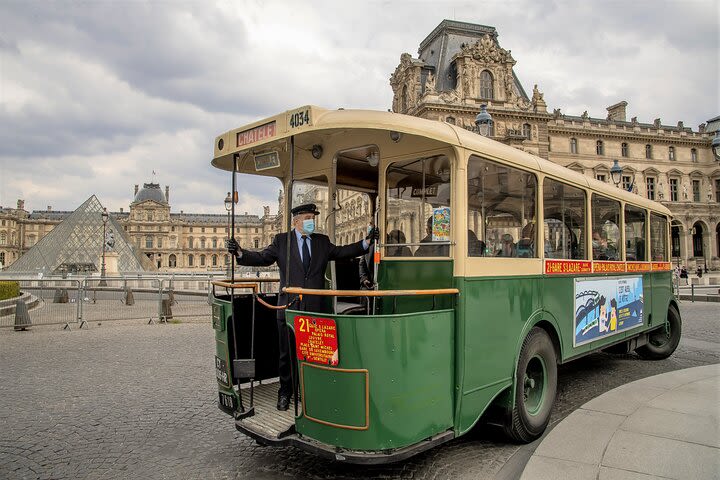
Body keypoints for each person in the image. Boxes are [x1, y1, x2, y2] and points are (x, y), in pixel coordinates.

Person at [227, 203, 378, 411]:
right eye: (308, 217)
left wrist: (366, 242)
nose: (311, 221)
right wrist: (241, 253)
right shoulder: (282, 241)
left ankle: (309, 392)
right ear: (296, 220)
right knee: (286, 354)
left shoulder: (321, 242)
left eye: (313, 217)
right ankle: (285, 392)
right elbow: (262, 258)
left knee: (313, 353)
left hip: (314, 308)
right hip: (288, 306)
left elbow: (342, 252)